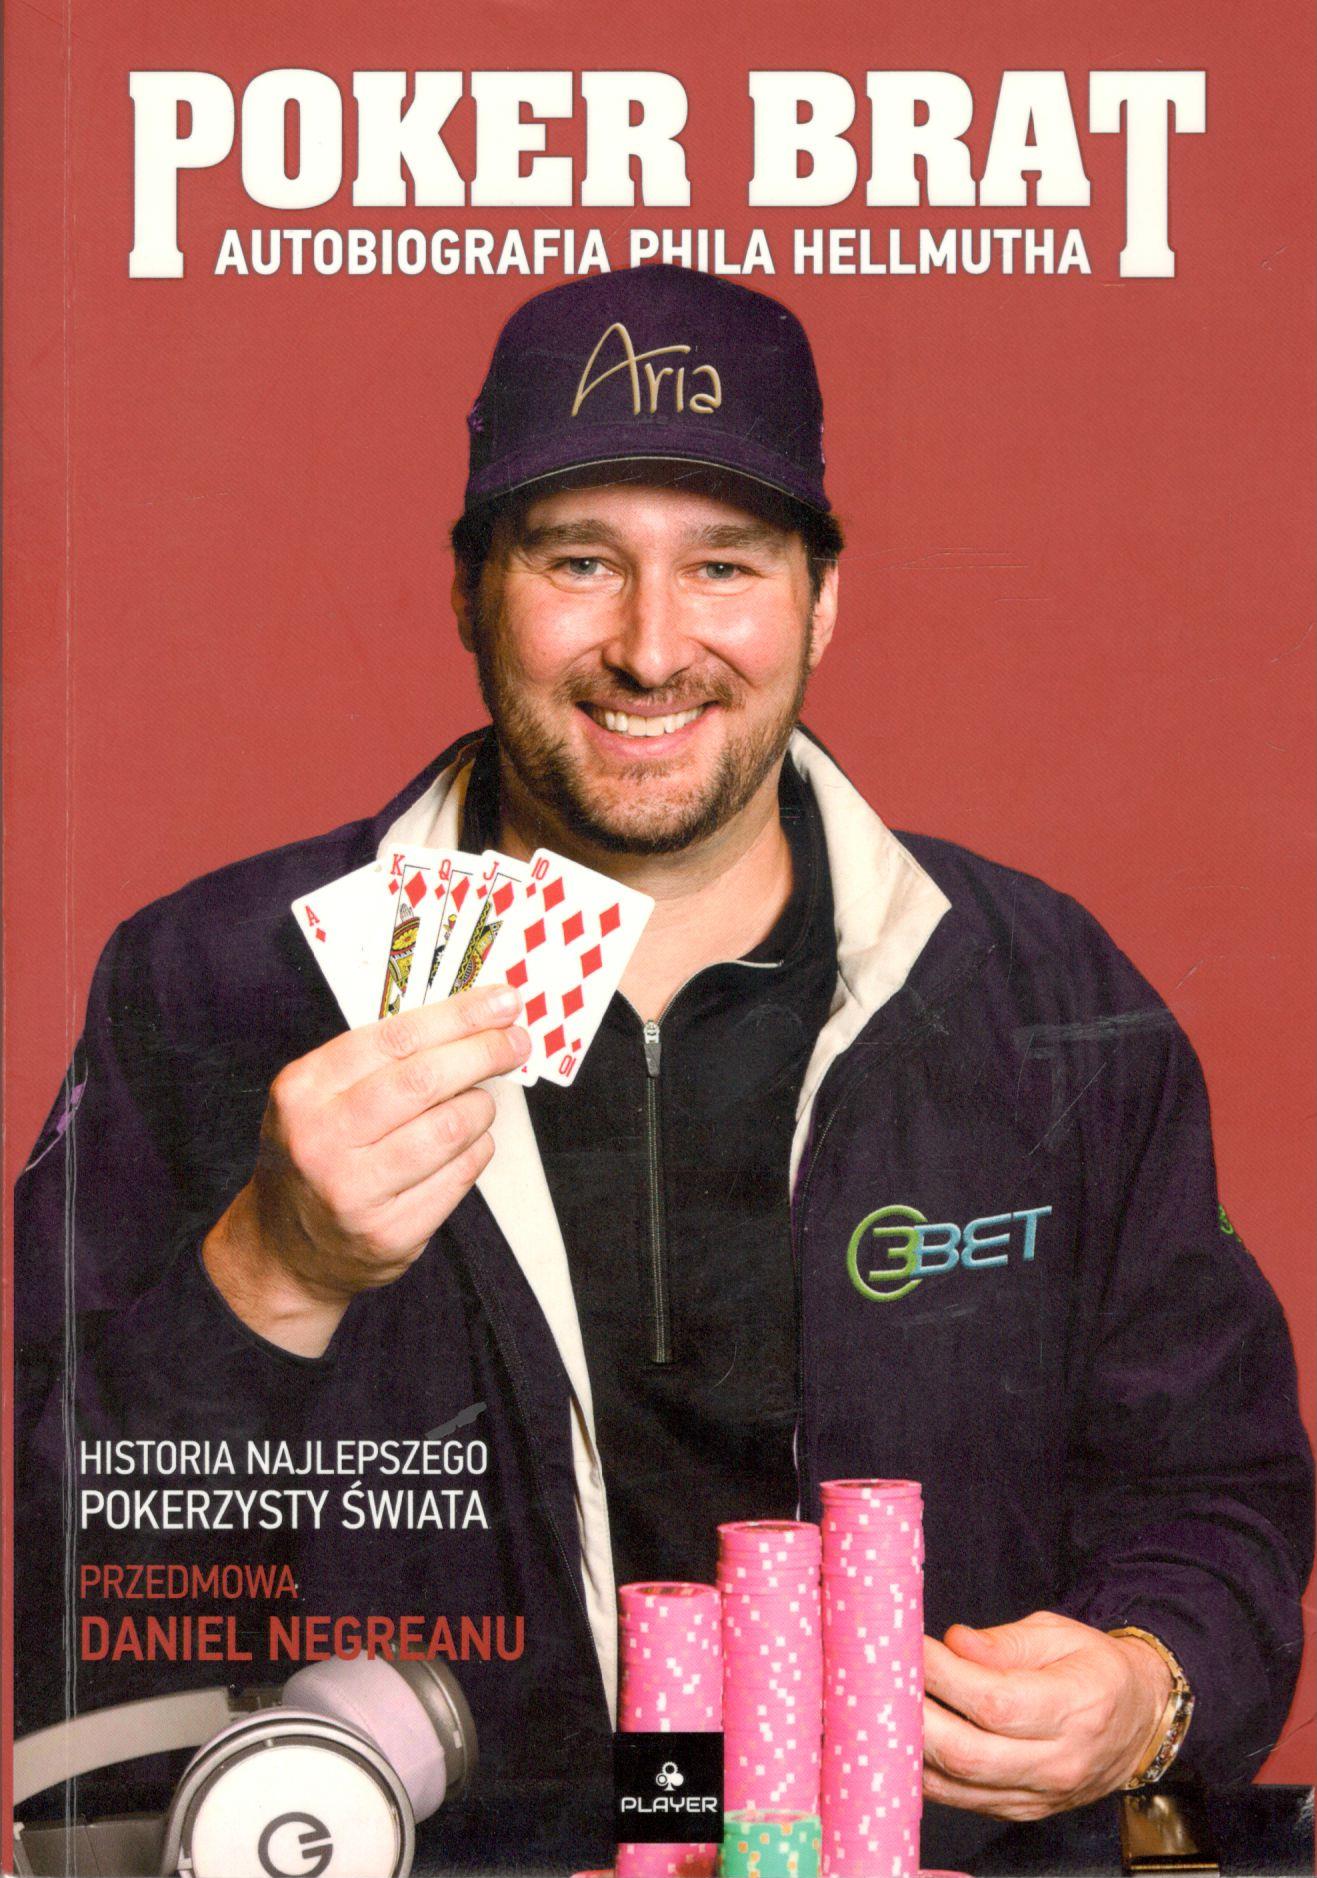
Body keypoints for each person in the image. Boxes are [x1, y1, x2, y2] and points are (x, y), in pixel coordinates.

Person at [15, 265, 1312, 1875]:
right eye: (578, 561)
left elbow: (1217, 1492)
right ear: (470, 590)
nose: (649, 647)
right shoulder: (211, 982)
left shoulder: (1046, 999)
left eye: (722, 566)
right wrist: (271, 1271)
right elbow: (60, 1581)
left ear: (819, 603)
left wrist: (1145, 1686)